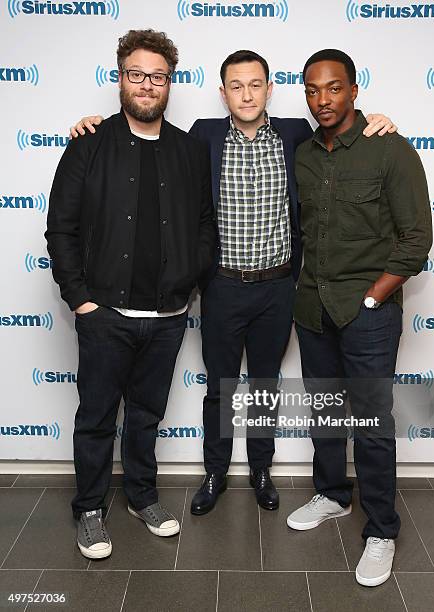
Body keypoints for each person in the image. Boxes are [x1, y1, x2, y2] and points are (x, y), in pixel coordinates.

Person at [69, 50, 396, 516]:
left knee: (263, 384)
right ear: (223, 93)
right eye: (236, 86)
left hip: (278, 288)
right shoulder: (200, 137)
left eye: (255, 84)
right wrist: (93, 125)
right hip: (221, 287)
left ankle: (261, 470)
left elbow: (346, 132)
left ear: (269, 88)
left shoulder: (296, 134)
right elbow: (140, 132)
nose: (246, 94)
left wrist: (379, 122)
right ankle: (215, 472)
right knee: (220, 388)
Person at [45, 29, 216, 560]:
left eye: (157, 76)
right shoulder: (88, 145)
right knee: (96, 418)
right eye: (136, 74)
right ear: (120, 78)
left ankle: (143, 497)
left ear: (170, 83)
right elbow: (61, 230)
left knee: (146, 415)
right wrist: (81, 301)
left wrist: (190, 279)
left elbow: (205, 225)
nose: (146, 85)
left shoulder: (190, 149)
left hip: (167, 316)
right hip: (105, 314)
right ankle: (91, 511)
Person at [286, 49, 432, 587]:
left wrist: (374, 297)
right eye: (312, 90)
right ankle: (332, 495)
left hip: (368, 312)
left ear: (354, 89)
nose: (322, 99)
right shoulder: (301, 152)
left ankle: (382, 530)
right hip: (313, 308)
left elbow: (416, 239)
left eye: (334, 88)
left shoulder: (388, 148)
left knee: (372, 425)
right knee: (326, 412)